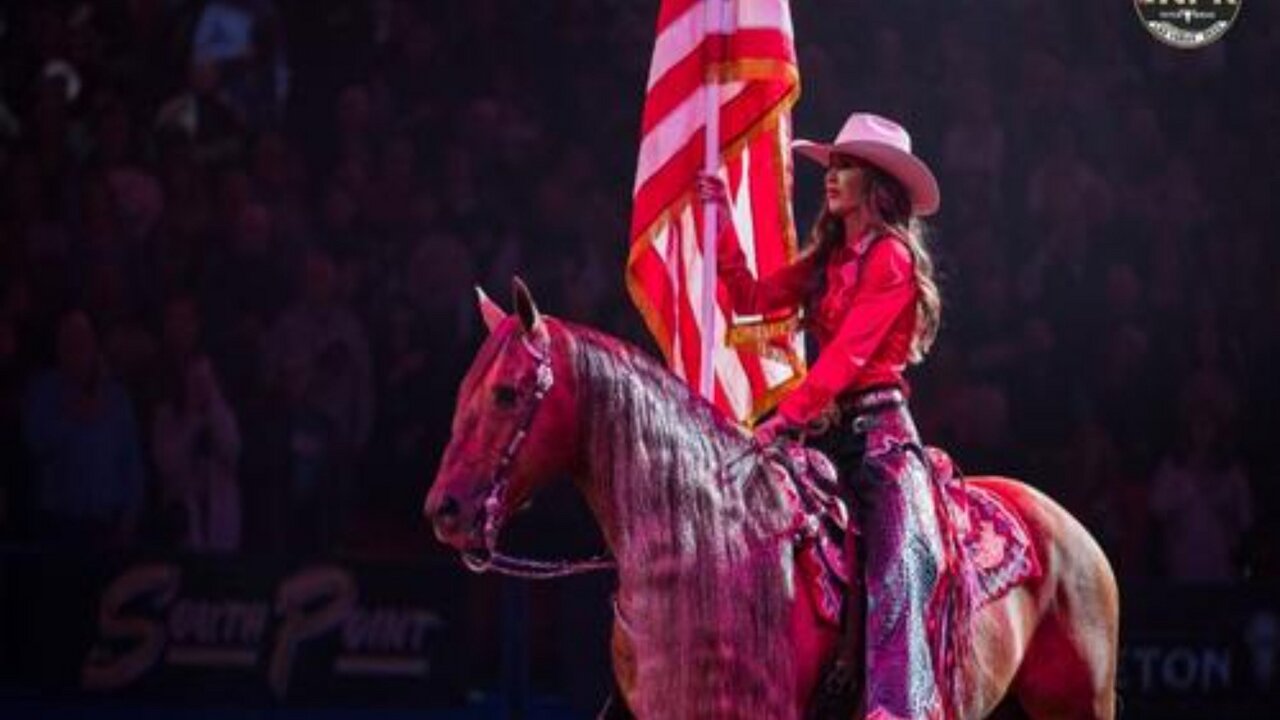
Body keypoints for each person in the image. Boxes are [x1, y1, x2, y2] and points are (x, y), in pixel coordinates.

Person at [709, 113, 950, 719]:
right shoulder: (828, 258)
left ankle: (896, 709)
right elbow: (751, 300)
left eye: (844, 167)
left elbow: (847, 358)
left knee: (898, 561)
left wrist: (781, 419)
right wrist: (719, 224)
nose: (831, 177)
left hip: (880, 438)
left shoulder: (891, 259)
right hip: (823, 435)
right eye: (832, 166)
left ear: (875, 183)